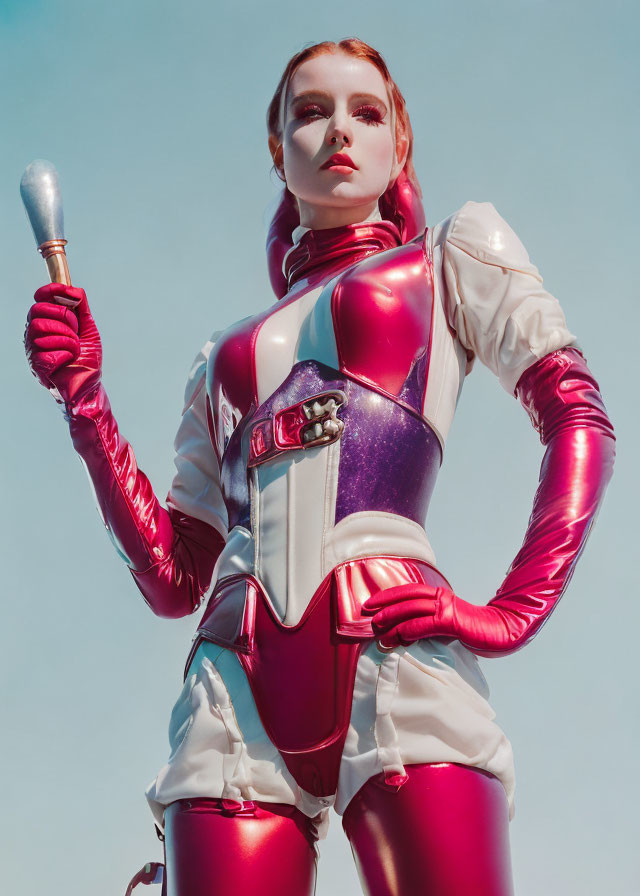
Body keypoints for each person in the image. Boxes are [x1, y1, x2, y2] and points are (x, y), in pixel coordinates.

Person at [24, 37, 615, 896]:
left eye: (366, 112)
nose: (339, 129)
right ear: (278, 149)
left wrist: (512, 609)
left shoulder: (453, 256)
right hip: (233, 679)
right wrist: (85, 400)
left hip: (397, 653)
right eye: (310, 111)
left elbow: (577, 417)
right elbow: (173, 576)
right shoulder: (218, 359)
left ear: (397, 145)